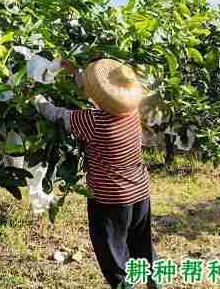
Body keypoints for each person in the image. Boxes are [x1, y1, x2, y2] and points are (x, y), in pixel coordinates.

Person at [32, 58, 160, 289]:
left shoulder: (93, 121)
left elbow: (57, 115)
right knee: (141, 243)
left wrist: (35, 97)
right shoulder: (131, 111)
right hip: (140, 191)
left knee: (112, 250)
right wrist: (76, 73)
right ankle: (155, 282)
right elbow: (98, 96)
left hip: (110, 199)